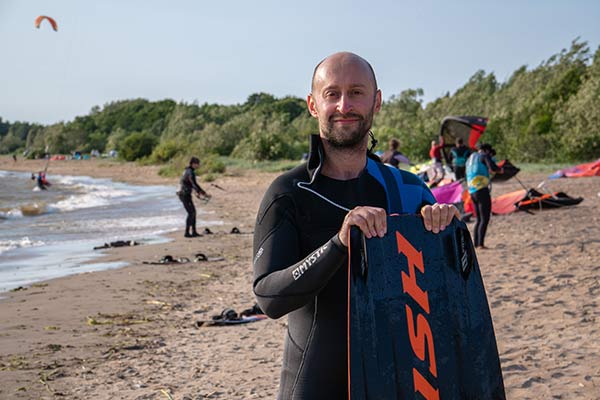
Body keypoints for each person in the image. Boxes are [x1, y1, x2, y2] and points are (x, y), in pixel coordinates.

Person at [252, 52, 459, 400]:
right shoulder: (289, 193)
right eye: (332, 93)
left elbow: (448, 295)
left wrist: (448, 234)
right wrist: (337, 245)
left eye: (357, 92)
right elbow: (268, 297)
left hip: (399, 381)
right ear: (313, 105)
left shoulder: (409, 191)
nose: (344, 105)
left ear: (376, 102)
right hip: (315, 384)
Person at [466, 143, 502, 249]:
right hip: (482, 190)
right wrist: (501, 170)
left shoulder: (470, 159)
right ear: (486, 151)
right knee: (485, 218)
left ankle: (476, 243)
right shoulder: (484, 156)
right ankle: (480, 244)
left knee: (478, 219)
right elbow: (492, 167)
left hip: (472, 191)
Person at [178, 157, 211, 238]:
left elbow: (188, 183)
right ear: (193, 163)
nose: (198, 165)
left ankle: (194, 232)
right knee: (191, 213)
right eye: (197, 163)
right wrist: (203, 193)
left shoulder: (188, 170)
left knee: (193, 212)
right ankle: (187, 233)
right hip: (184, 194)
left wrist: (196, 192)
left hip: (185, 193)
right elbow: (194, 184)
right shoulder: (190, 172)